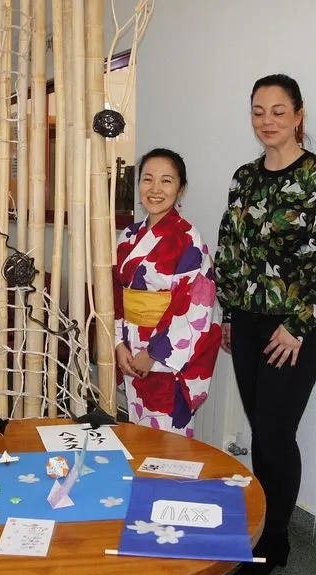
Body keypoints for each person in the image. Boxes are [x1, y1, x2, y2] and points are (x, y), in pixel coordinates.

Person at [214, 74, 316, 575]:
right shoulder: (243, 178)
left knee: (274, 436)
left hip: (297, 328)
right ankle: (262, 528)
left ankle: (274, 541)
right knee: (261, 433)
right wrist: (228, 314)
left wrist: (296, 325)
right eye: (257, 111)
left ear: (298, 115)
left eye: (278, 111)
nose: (266, 121)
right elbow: (229, 249)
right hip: (248, 323)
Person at [113, 148, 222, 438]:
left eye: (166, 181)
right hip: (130, 350)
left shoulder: (188, 240)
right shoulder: (128, 236)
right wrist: (118, 344)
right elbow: (115, 295)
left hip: (167, 360)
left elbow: (195, 306)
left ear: (180, 189)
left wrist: (153, 353)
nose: (155, 189)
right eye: (148, 179)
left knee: (167, 445)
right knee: (136, 437)